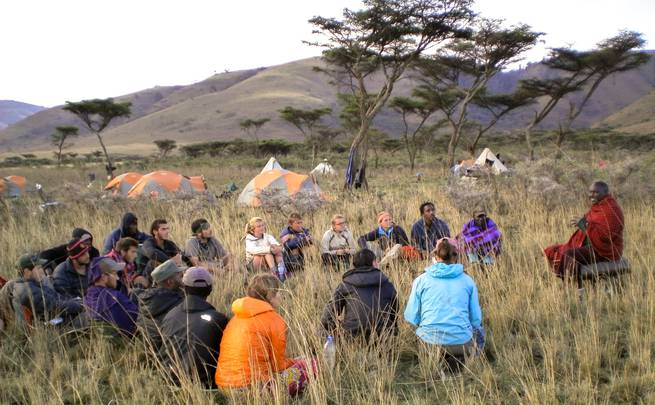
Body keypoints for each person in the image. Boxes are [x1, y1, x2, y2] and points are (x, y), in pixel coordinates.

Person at [216, 274, 315, 395]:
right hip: (253, 388)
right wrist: (296, 362)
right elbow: (278, 366)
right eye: (278, 292)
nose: (281, 295)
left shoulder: (236, 318)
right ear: (270, 296)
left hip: (223, 386)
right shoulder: (274, 320)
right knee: (313, 364)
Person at [404, 238, 484, 371]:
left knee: (421, 334)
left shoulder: (420, 280)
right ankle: (462, 358)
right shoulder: (468, 281)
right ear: (456, 257)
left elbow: (411, 316)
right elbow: (476, 319)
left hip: (429, 341)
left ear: (435, 256)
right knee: (479, 331)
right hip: (462, 340)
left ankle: (435, 358)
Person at [544, 181, 624, 288]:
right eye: (590, 192)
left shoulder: (611, 210)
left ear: (606, 193)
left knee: (570, 255)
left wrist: (584, 224)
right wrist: (583, 224)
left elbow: (605, 236)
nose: (592, 195)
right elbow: (590, 227)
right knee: (553, 250)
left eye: (596, 192)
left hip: (605, 252)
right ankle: (573, 285)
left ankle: (575, 288)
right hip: (593, 248)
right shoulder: (598, 207)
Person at [159, 267, 228, 388]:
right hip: (205, 387)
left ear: (184, 288)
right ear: (210, 290)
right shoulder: (218, 319)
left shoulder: (170, 315)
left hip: (170, 385)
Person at [321, 249, 398, 341]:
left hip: (352, 336)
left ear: (353, 266)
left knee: (321, 331)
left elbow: (327, 317)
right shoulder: (387, 283)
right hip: (383, 335)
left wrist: (336, 330)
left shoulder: (345, 285)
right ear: (374, 263)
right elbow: (394, 311)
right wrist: (393, 329)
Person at [12, 253, 84, 327]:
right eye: (38, 268)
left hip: (59, 320)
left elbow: (56, 298)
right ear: (27, 272)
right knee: (91, 316)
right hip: (56, 327)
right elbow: (55, 308)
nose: (42, 271)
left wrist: (76, 301)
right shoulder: (29, 291)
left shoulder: (32, 284)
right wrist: (79, 305)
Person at [85, 257, 139, 338]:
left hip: (105, 344)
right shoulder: (116, 297)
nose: (117, 278)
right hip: (127, 343)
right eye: (114, 273)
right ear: (103, 277)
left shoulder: (88, 296)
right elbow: (138, 318)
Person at [135, 259, 184, 349]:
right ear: (170, 282)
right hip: (167, 354)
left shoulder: (146, 298)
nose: (182, 275)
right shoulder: (177, 303)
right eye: (178, 274)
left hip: (147, 351)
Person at [139, 219, 183, 285]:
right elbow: (152, 253)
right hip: (147, 275)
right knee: (153, 262)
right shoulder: (148, 243)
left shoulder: (169, 244)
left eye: (167, 229)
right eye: (163, 229)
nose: (167, 231)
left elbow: (181, 254)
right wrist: (170, 261)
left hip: (166, 274)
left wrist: (179, 258)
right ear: (155, 231)